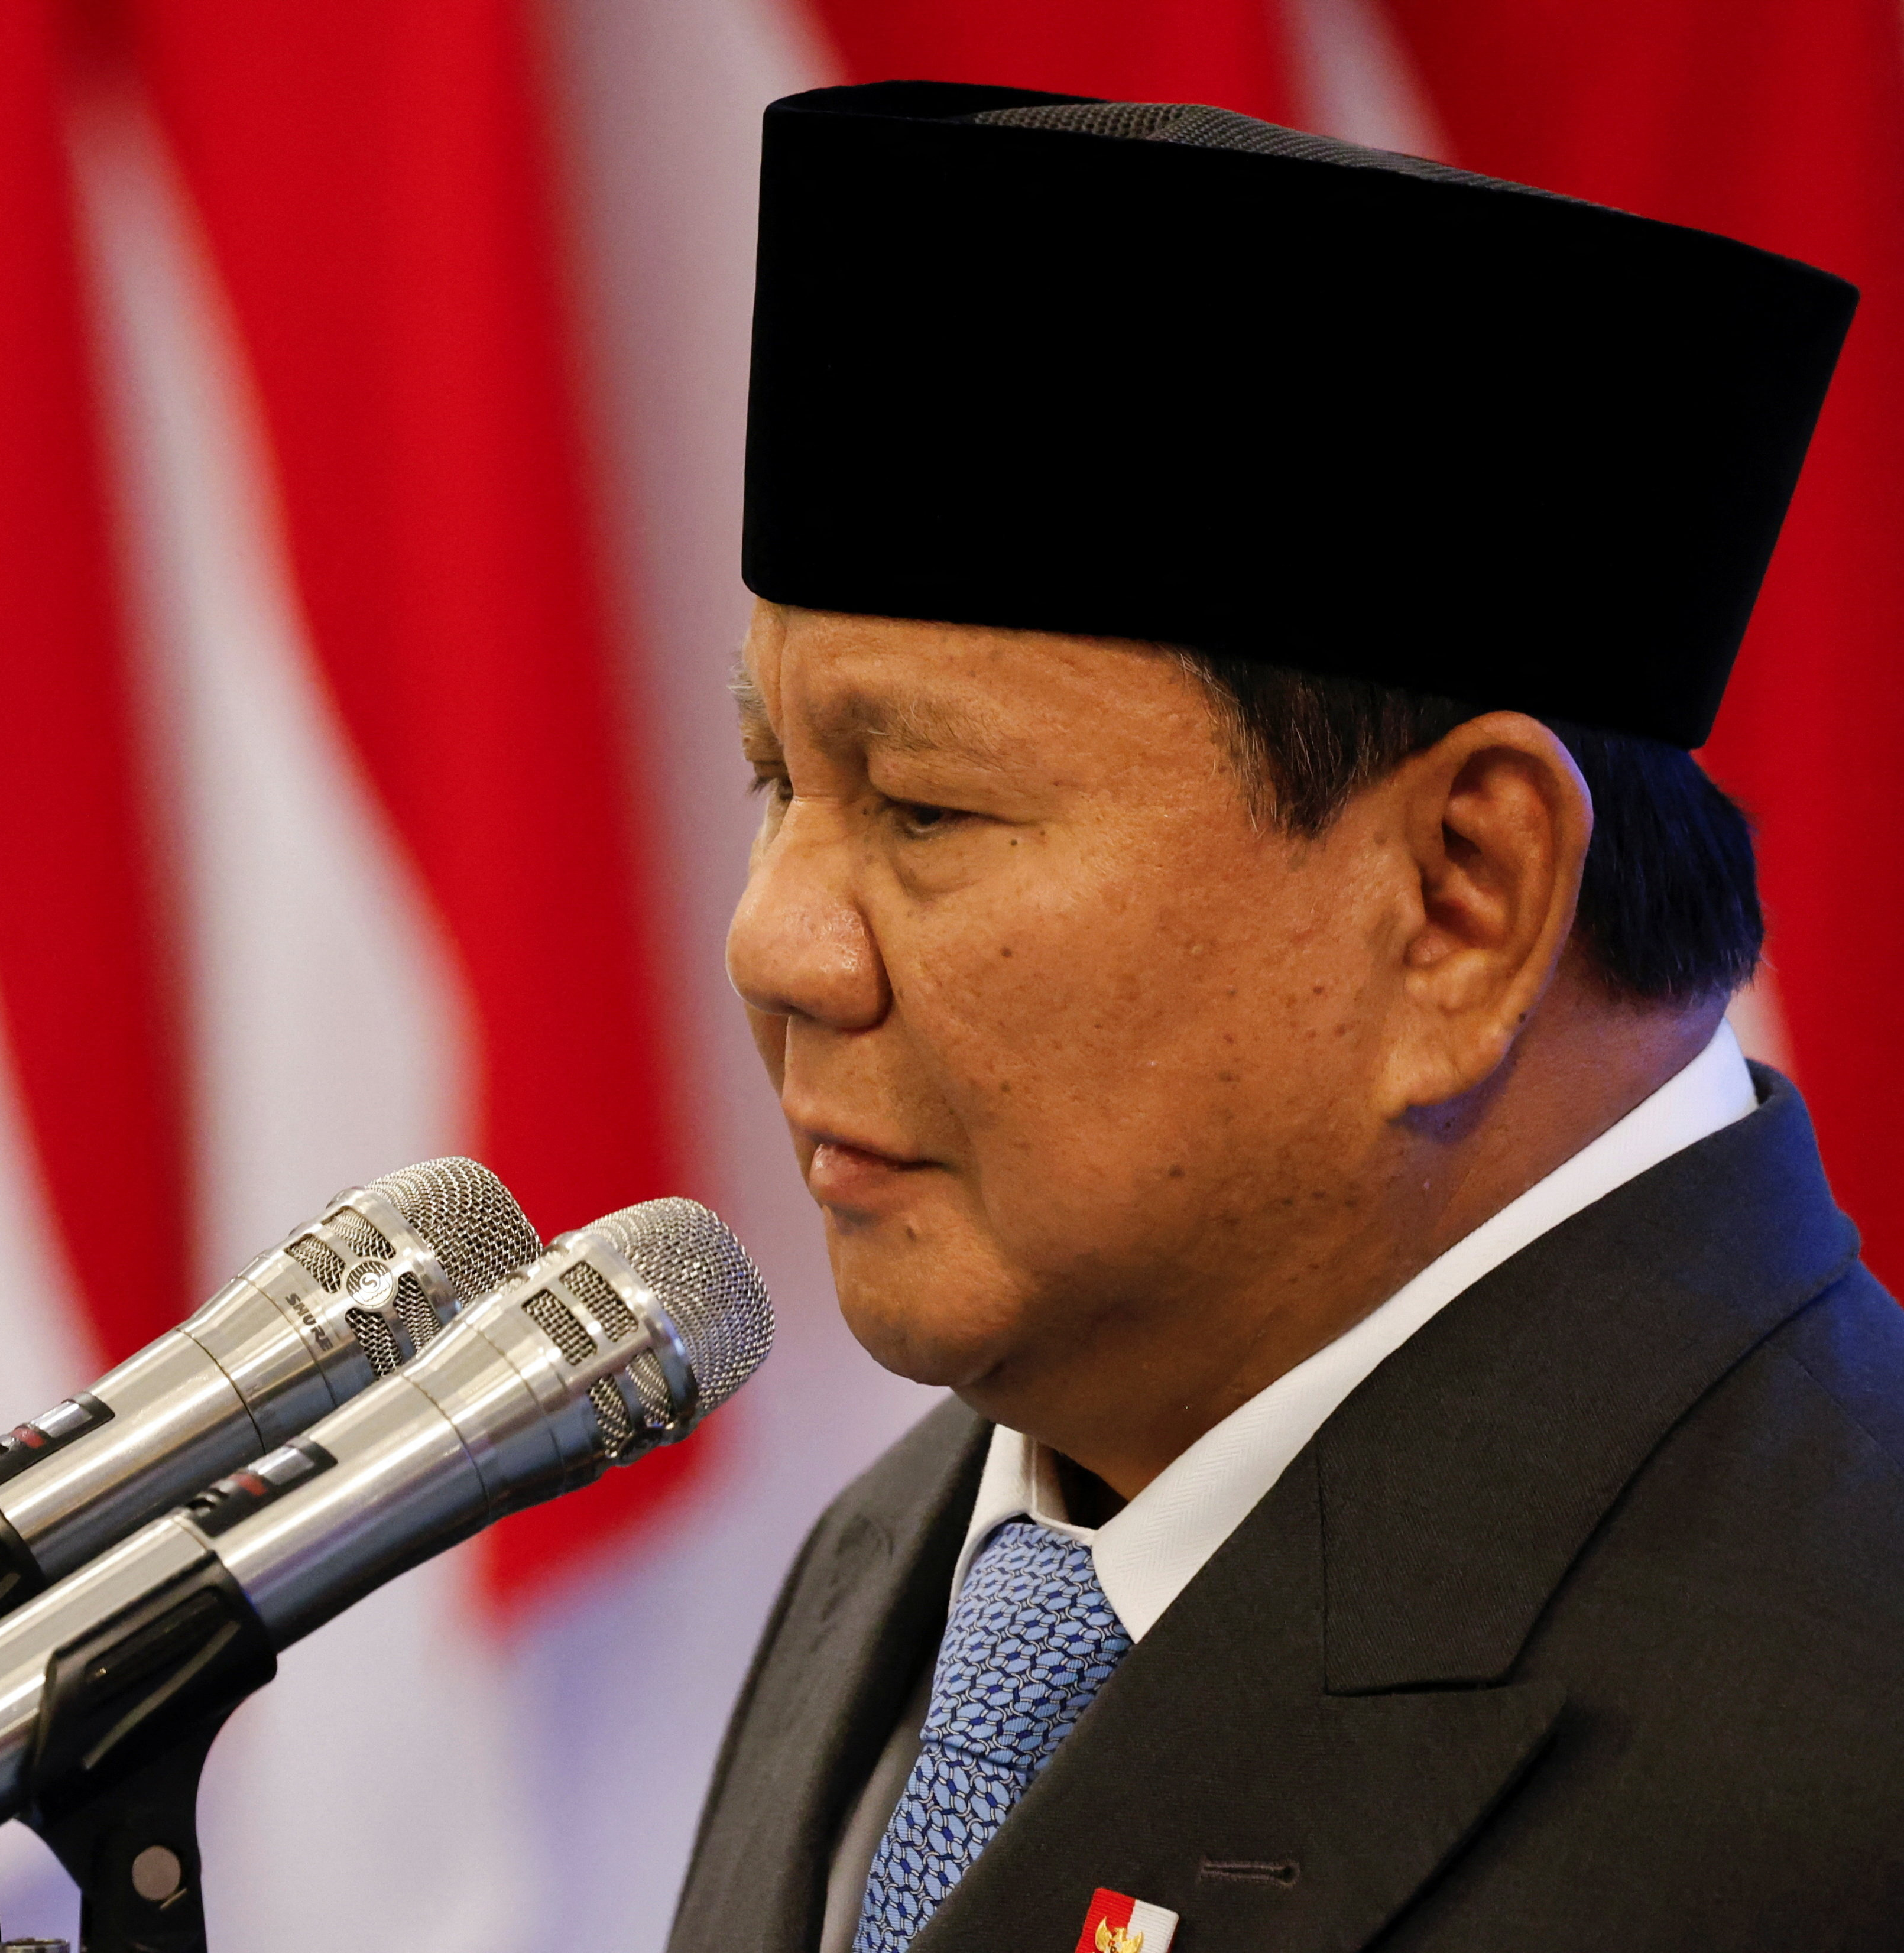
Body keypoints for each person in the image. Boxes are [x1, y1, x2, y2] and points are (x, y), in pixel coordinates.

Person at [670, 83, 1900, 1952]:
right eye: (777, 780)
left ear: (1457, 904)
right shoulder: (918, 1551)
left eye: (924, 807)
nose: (778, 945)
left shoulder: (1848, 1728)